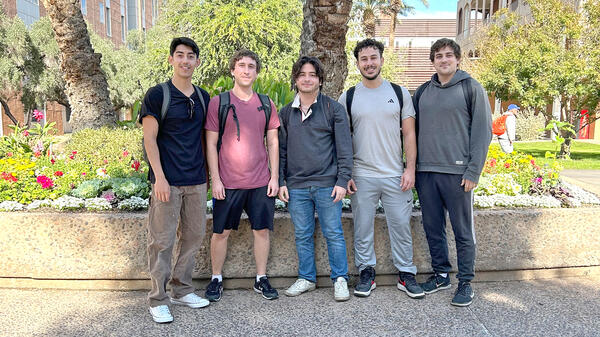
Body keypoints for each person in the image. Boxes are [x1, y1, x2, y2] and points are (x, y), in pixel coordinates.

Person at [338, 38, 424, 299]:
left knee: (400, 225)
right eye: (364, 59)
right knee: (362, 226)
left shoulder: (399, 94)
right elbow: (342, 139)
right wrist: (347, 174)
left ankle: (406, 274)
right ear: (358, 64)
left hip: (395, 174)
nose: (369, 63)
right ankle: (366, 272)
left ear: (381, 60)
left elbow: (409, 135)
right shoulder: (348, 96)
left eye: (373, 57)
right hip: (361, 175)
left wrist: (410, 170)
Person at [412, 38, 492, 307]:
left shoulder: (471, 88)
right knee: (432, 227)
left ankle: (466, 282)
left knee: (462, 231)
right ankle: (441, 275)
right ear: (432, 61)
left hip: (458, 175)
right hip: (426, 173)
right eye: (438, 55)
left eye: (448, 55)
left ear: (458, 60)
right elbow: (412, 133)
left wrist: (473, 171)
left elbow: (483, 132)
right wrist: (412, 169)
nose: (443, 59)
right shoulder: (422, 92)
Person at [140, 37, 211, 324]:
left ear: (196, 61)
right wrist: (159, 178)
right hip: (166, 181)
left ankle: (181, 290)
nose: (185, 60)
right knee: (162, 241)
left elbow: (208, 140)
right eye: (179, 55)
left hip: (196, 180)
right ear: (171, 59)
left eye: (190, 56)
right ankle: (157, 299)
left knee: (193, 237)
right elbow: (149, 139)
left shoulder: (204, 97)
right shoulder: (158, 95)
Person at [204, 50, 280, 301]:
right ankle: (216, 278)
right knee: (221, 233)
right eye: (241, 65)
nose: (246, 70)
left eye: (251, 66)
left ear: (256, 72)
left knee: (262, 231)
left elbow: (273, 142)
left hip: (260, 181)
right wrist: (216, 180)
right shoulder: (219, 102)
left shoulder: (267, 103)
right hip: (228, 183)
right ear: (233, 70)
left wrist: (274, 178)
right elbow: (211, 143)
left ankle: (261, 279)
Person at [278, 56, 353, 302]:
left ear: (320, 79)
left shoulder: (333, 108)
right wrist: (281, 181)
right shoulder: (286, 113)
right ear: (296, 79)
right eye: (302, 74)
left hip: (327, 185)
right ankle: (307, 278)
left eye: (312, 74)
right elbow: (282, 151)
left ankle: (340, 279)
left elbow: (344, 148)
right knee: (302, 234)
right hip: (296, 187)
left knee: (333, 233)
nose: (307, 79)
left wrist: (343, 181)